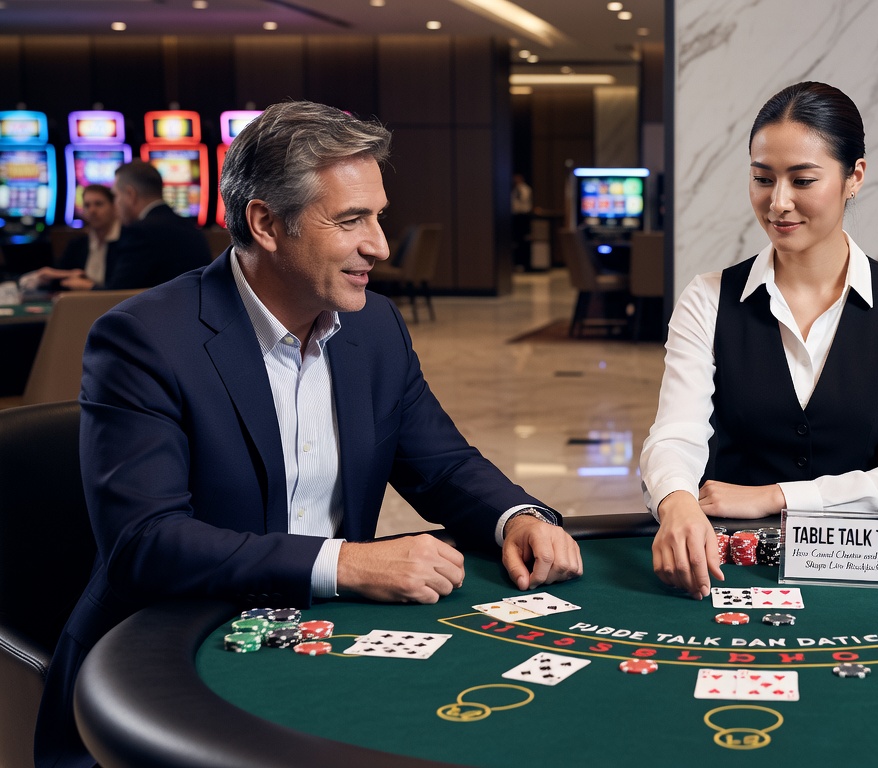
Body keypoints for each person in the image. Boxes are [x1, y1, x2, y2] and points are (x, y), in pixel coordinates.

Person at [35, 101, 584, 768]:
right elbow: (145, 543)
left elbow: (441, 463)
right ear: (266, 223)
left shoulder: (374, 327)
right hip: (157, 673)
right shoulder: (145, 339)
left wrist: (516, 517)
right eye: (351, 221)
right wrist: (344, 563)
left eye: (378, 217)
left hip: (322, 645)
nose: (379, 246)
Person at [641, 82, 878, 600]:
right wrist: (676, 502)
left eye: (802, 180)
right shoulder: (707, 298)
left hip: (862, 571)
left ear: (855, 177)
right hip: (727, 567)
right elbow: (675, 436)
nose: (778, 203)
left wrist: (773, 497)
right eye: (762, 179)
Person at [102, 160, 212, 290]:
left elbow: (117, 293)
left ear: (131, 194)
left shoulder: (139, 232)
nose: (115, 203)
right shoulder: (190, 227)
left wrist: (88, 286)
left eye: (115, 195)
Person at [18, 184, 121, 292]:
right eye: (87, 205)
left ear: (114, 207)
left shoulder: (127, 242)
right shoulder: (77, 244)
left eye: (98, 204)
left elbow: (121, 289)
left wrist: (88, 287)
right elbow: (58, 284)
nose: (92, 210)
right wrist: (61, 275)